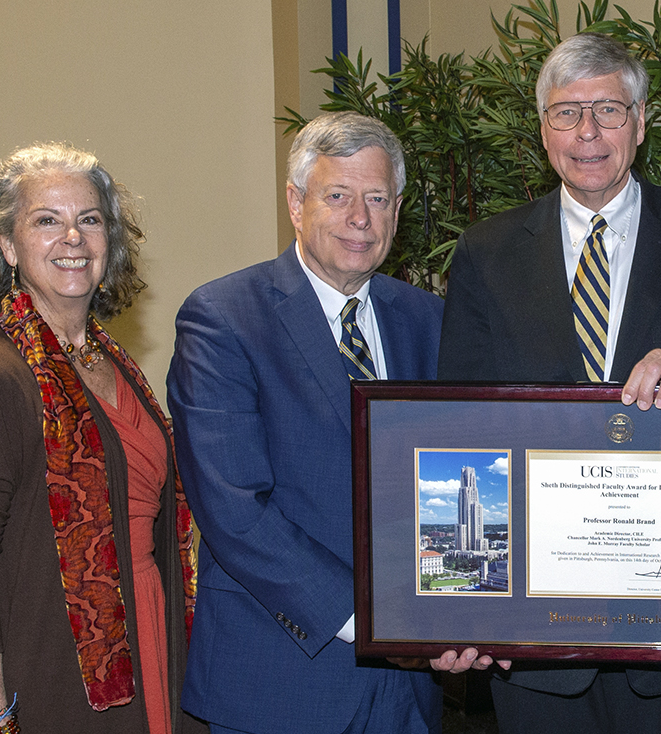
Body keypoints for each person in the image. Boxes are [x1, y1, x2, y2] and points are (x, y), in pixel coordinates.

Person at [438, 32, 661, 733]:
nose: (587, 133)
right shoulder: (486, 253)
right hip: (534, 644)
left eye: (609, 110)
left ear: (642, 122)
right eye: (566, 113)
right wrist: (467, 606)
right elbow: (460, 431)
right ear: (542, 130)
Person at [167, 111, 501, 734]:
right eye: (338, 195)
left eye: (378, 199)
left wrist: (468, 612)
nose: (360, 219)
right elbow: (236, 510)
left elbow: (462, 478)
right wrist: (378, 623)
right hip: (281, 681)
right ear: (295, 203)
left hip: (408, 692)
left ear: (397, 211)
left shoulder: (429, 319)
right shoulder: (223, 318)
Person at [0, 143, 202, 734]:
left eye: (90, 219)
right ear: (6, 246)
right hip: (56, 672)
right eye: (47, 220)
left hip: (150, 630)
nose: (73, 237)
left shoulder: (112, 360)